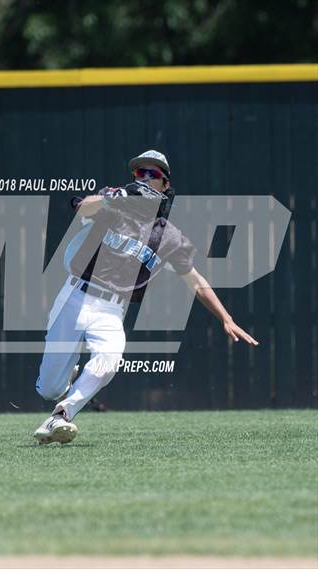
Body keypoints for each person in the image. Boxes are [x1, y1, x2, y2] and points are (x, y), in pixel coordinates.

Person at [33, 150, 259, 444]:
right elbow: (82, 208)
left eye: (153, 175)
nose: (145, 179)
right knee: (48, 388)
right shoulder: (113, 203)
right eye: (140, 173)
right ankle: (64, 380)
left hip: (112, 310)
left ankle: (61, 416)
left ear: (166, 185)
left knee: (110, 360)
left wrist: (226, 318)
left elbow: (195, 280)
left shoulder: (169, 236)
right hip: (74, 296)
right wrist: (114, 198)